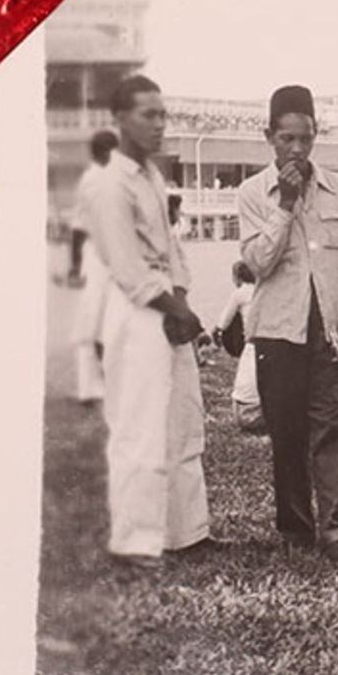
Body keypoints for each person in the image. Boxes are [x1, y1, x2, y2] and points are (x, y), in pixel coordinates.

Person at [79, 74, 212, 568]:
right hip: (136, 313)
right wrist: (176, 309)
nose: (158, 124)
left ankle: (187, 533)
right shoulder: (109, 184)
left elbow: (171, 251)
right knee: (138, 425)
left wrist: (180, 296)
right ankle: (136, 541)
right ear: (119, 120)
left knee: (182, 422)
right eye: (147, 115)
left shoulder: (151, 177)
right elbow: (129, 266)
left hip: (168, 308)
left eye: (162, 114)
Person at [236, 84, 338, 557]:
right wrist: (286, 205)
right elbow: (258, 262)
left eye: (305, 138)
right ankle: (296, 530)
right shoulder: (253, 194)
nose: (296, 149)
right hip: (279, 330)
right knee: (288, 433)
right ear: (269, 136)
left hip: (333, 327)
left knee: (337, 429)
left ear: (316, 134)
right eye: (286, 139)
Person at [69, 130, 120, 401]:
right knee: (92, 320)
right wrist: (76, 267)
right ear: (104, 153)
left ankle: (97, 383)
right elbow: (79, 229)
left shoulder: (103, 179)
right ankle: (89, 387)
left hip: (106, 257)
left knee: (104, 321)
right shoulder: (96, 180)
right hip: (98, 257)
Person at [212, 261, 265, 433]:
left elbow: (222, 323)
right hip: (268, 343)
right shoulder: (264, 291)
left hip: (252, 346)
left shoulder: (240, 293)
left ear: (237, 277)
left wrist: (217, 335)